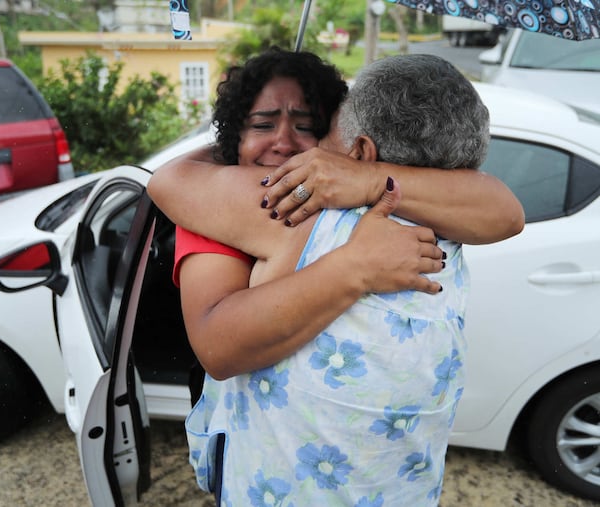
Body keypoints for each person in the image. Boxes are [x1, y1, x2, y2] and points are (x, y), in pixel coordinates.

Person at [147, 50, 522, 505]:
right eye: (262, 124)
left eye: (313, 128)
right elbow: (505, 210)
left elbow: (168, 180)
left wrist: (233, 144)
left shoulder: (293, 207)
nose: (285, 145)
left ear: (360, 152)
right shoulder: (453, 225)